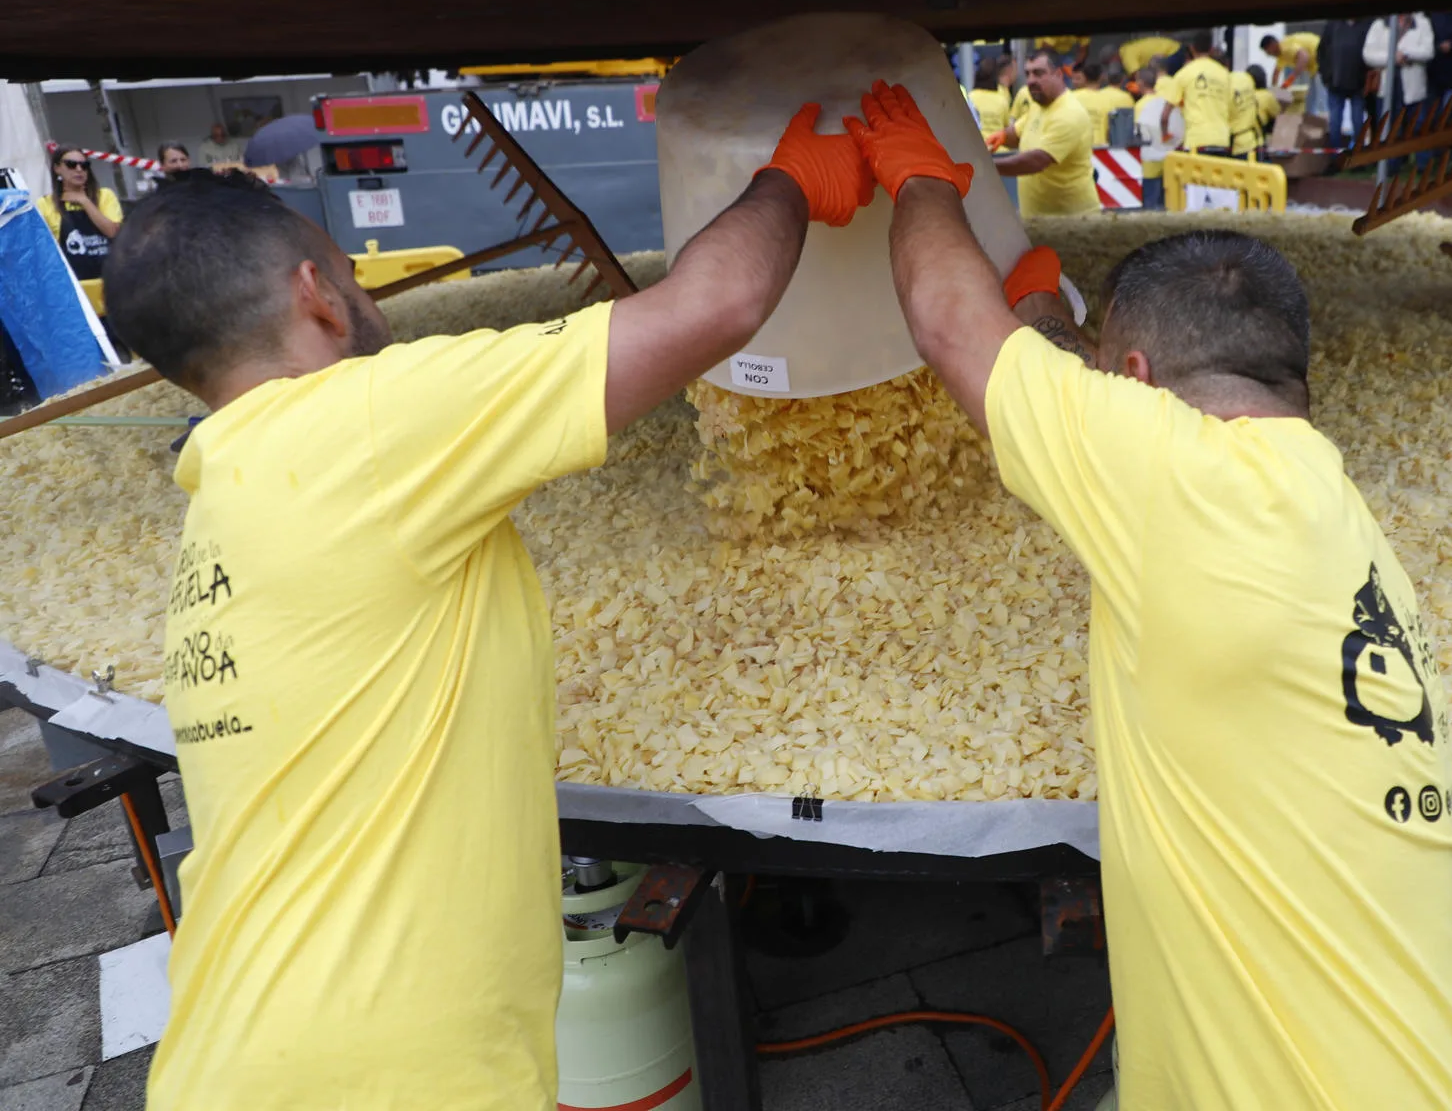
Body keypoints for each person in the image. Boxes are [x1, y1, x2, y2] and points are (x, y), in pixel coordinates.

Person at [110, 101, 882, 1110]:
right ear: (318, 294)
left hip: (227, 1060)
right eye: (347, 270)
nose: (359, 287)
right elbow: (719, 303)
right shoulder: (364, 424)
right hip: (390, 1076)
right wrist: (788, 177)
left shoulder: (226, 495)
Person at [841, 79, 1452, 1111]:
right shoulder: (1319, 501)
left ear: (1131, 374)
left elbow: (951, 325)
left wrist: (919, 178)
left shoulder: (1173, 480)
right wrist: (1043, 304)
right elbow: (1076, 388)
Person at [997, 48, 1099, 217]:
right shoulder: (1039, 105)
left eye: (1038, 73)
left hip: (1073, 222)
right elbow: (1016, 134)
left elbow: (1037, 161)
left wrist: (989, 167)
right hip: (1039, 219)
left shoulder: (1068, 113)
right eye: (1028, 74)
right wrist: (998, 138)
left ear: (1058, 74)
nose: (1031, 80)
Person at [36, 145, 122, 280]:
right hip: (72, 285)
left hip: (110, 280)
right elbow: (44, 250)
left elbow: (112, 231)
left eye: (84, 165)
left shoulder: (105, 196)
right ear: (57, 168)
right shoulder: (45, 204)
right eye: (71, 164)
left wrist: (84, 201)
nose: (79, 169)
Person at [1161, 30, 1234, 155]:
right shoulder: (1224, 74)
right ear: (1211, 50)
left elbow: (1164, 116)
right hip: (1222, 141)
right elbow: (1232, 109)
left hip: (1196, 141)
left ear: (1192, 49)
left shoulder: (1184, 73)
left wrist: (1165, 135)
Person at [1316, 18, 1371, 150]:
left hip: (1359, 84)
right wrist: (1326, 77)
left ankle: (1358, 154)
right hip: (1335, 84)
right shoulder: (1332, 25)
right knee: (1335, 121)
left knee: (1358, 121)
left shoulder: (1366, 25)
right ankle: (1336, 155)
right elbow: (1321, 52)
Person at [1132, 65, 1181, 211]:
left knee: (1151, 206)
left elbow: (1139, 134)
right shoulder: (1163, 101)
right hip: (1167, 158)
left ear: (1140, 83)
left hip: (1149, 162)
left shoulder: (1141, 105)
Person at [1071, 59, 1135, 149]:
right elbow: (1113, 130)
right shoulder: (1108, 100)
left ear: (1084, 77)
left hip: (1077, 149)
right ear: (1102, 77)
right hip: (1101, 150)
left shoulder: (1070, 98)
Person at [970, 55, 1013, 141]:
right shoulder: (1002, 99)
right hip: (999, 149)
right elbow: (1007, 127)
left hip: (978, 147)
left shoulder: (970, 97)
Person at [1118, 34, 1183, 76]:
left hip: (1172, 52)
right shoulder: (1127, 48)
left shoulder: (1127, 54)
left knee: (1163, 79)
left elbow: (1137, 74)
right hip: (1175, 47)